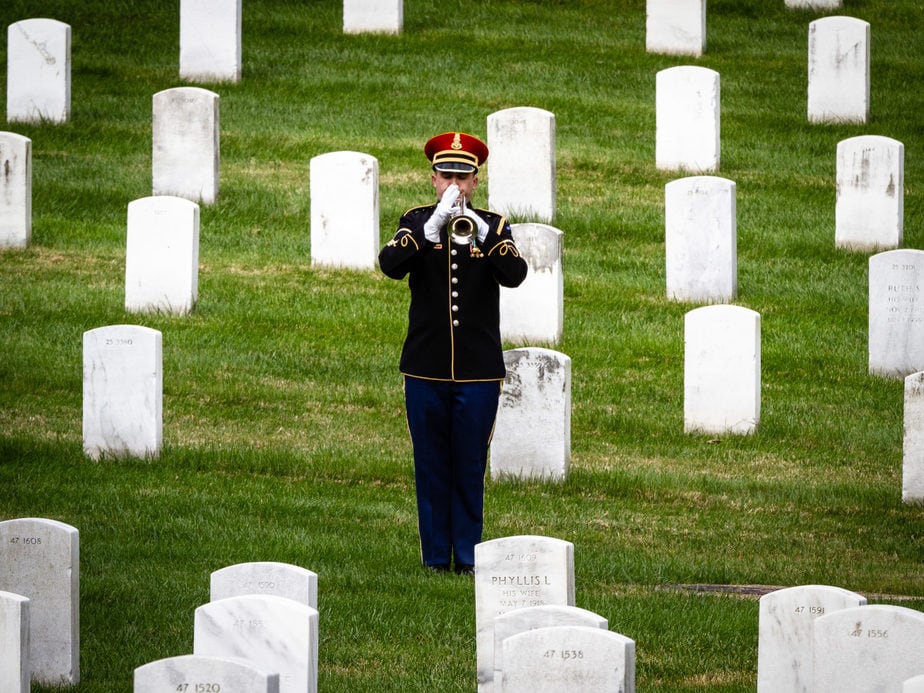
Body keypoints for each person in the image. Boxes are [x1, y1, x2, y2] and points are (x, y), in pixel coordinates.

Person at [378, 131, 528, 575]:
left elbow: (515, 274)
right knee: (430, 465)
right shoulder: (416, 221)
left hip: (478, 371)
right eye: (447, 176)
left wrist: (481, 231)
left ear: (476, 182)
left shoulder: (494, 226)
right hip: (425, 368)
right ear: (433, 179)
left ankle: (467, 557)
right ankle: (433, 559)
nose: (455, 187)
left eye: (464, 178)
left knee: (468, 465)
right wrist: (428, 230)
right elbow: (389, 265)